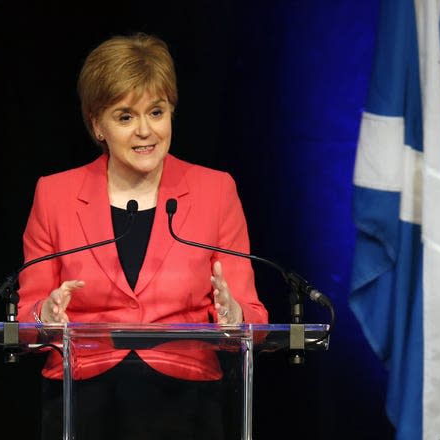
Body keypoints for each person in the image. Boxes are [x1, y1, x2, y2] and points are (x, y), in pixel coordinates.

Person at [16, 32, 268, 440]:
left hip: (187, 402)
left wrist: (232, 315)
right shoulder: (55, 195)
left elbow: (253, 316)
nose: (145, 131)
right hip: (82, 399)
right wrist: (46, 315)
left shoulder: (215, 191)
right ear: (97, 124)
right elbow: (28, 320)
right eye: (125, 117)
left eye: (156, 111)